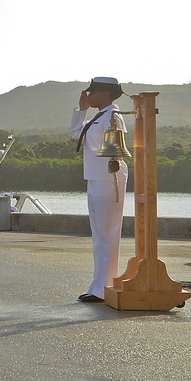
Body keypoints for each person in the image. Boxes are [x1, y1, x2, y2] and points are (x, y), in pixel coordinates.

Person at [69, 77, 128, 303]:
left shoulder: (113, 116)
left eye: (92, 93)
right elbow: (77, 134)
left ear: (104, 93)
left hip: (109, 178)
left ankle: (104, 287)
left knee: (107, 234)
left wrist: (114, 162)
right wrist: (81, 110)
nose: (89, 96)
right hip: (95, 177)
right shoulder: (99, 116)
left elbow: (116, 149)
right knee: (99, 235)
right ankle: (99, 285)